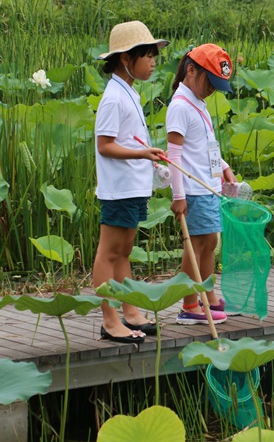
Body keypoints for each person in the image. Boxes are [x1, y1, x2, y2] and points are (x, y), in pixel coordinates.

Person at [94, 20, 168, 343]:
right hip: (119, 187)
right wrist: (142, 154)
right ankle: (110, 320)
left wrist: (147, 155)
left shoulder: (130, 93)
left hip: (134, 186)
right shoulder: (113, 97)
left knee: (124, 251)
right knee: (109, 252)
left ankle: (131, 311)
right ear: (126, 59)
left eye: (154, 56)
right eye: (148, 56)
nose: (153, 62)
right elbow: (104, 145)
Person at [166, 44, 236, 325]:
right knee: (195, 246)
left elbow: (207, 145)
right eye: (211, 82)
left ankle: (206, 295)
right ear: (191, 70)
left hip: (208, 186)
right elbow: (174, 155)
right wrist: (178, 195)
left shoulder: (198, 103)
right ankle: (190, 304)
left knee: (210, 242)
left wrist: (225, 168)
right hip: (193, 189)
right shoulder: (180, 106)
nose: (212, 90)